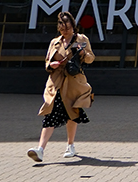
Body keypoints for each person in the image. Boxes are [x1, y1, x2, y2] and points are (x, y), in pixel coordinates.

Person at [28, 11, 95, 162]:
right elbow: (47, 62)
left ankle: (70, 145)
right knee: (50, 114)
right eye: (63, 29)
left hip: (73, 83)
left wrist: (83, 52)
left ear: (73, 27)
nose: (65, 31)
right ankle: (40, 149)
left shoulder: (81, 39)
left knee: (72, 112)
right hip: (56, 83)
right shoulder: (55, 42)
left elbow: (91, 59)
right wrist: (51, 64)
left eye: (68, 28)